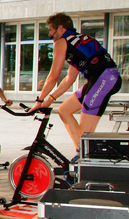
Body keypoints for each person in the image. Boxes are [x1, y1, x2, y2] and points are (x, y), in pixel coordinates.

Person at [30, 12, 122, 161]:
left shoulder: (62, 42)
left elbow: (54, 76)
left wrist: (39, 101)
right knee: (64, 110)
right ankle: (81, 152)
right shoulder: (77, 42)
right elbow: (69, 79)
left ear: (60, 28)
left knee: (85, 134)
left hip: (103, 79)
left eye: (51, 30)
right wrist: (50, 100)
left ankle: (87, 160)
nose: (50, 34)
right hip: (105, 78)